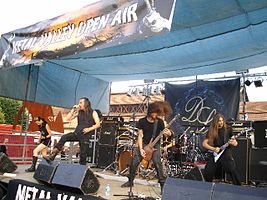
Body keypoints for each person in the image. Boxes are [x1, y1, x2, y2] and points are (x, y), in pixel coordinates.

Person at [121, 102, 172, 193]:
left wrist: (168, 133)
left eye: (157, 113)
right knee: (134, 162)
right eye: (154, 113)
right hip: (144, 144)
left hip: (155, 145)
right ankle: (130, 181)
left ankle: (163, 185)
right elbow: (140, 136)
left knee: (157, 163)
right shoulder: (141, 121)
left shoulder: (159, 122)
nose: (156, 115)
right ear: (150, 112)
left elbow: (166, 134)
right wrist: (140, 149)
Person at [44, 97, 100, 165]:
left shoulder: (93, 112)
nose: (79, 104)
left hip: (85, 135)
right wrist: (73, 110)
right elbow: (68, 118)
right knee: (64, 137)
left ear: (86, 103)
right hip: (77, 133)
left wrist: (89, 129)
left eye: (81, 102)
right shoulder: (79, 112)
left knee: (83, 153)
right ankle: (53, 155)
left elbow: (98, 124)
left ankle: (81, 169)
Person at [202, 113, 241, 185]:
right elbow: (204, 144)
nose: (221, 122)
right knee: (208, 171)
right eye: (219, 121)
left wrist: (234, 142)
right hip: (216, 152)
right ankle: (207, 187)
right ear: (215, 122)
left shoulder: (228, 129)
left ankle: (239, 186)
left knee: (232, 170)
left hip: (226, 152)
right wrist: (213, 149)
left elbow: (235, 143)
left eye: (222, 120)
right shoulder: (212, 130)